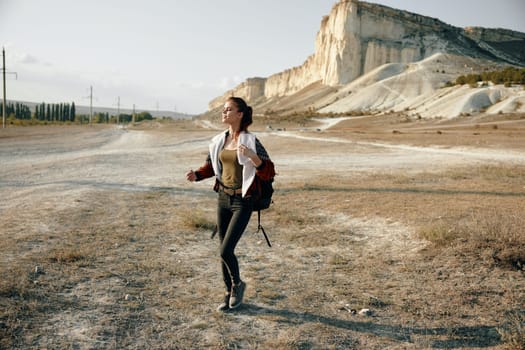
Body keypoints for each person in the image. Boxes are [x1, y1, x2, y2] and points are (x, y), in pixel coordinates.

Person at [186, 97, 275, 311]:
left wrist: (254, 158)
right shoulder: (219, 140)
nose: (224, 113)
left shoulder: (251, 141)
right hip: (223, 198)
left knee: (226, 249)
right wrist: (197, 175)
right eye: (223, 110)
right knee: (221, 250)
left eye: (228, 110)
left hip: (243, 200)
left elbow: (269, 171)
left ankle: (238, 285)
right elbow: (210, 166)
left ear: (240, 114)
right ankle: (228, 293)